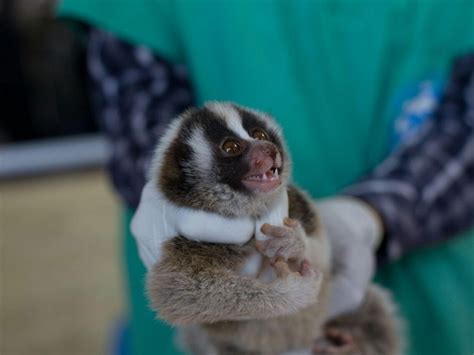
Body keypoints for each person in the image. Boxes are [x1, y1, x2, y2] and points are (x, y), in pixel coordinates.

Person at [58, 2, 474, 354]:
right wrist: (181, 205)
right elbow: (138, 110)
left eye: (259, 139)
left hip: (436, 299)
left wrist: (365, 216)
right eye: (233, 148)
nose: (263, 152)